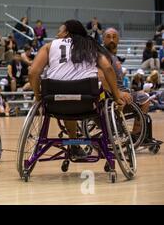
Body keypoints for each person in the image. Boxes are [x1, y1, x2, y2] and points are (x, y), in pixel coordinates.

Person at [29, 20, 123, 160]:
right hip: (87, 101)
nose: (57, 34)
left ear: (67, 32)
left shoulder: (49, 46)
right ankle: (108, 140)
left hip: (56, 101)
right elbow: (108, 69)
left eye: (59, 31)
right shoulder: (91, 45)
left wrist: (38, 97)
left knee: (67, 98)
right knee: (96, 98)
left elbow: (33, 72)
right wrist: (117, 97)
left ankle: (73, 144)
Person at [101, 28, 151, 136]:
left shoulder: (113, 56)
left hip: (120, 92)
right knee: (145, 98)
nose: (112, 40)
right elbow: (101, 78)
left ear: (118, 39)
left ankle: (135, 134)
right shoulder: (103, 55)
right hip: (113, 95)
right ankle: (136, 135)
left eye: (114, 37)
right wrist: (118, 93)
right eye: (108, 37)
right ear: (103, 39)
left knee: (142, 94)